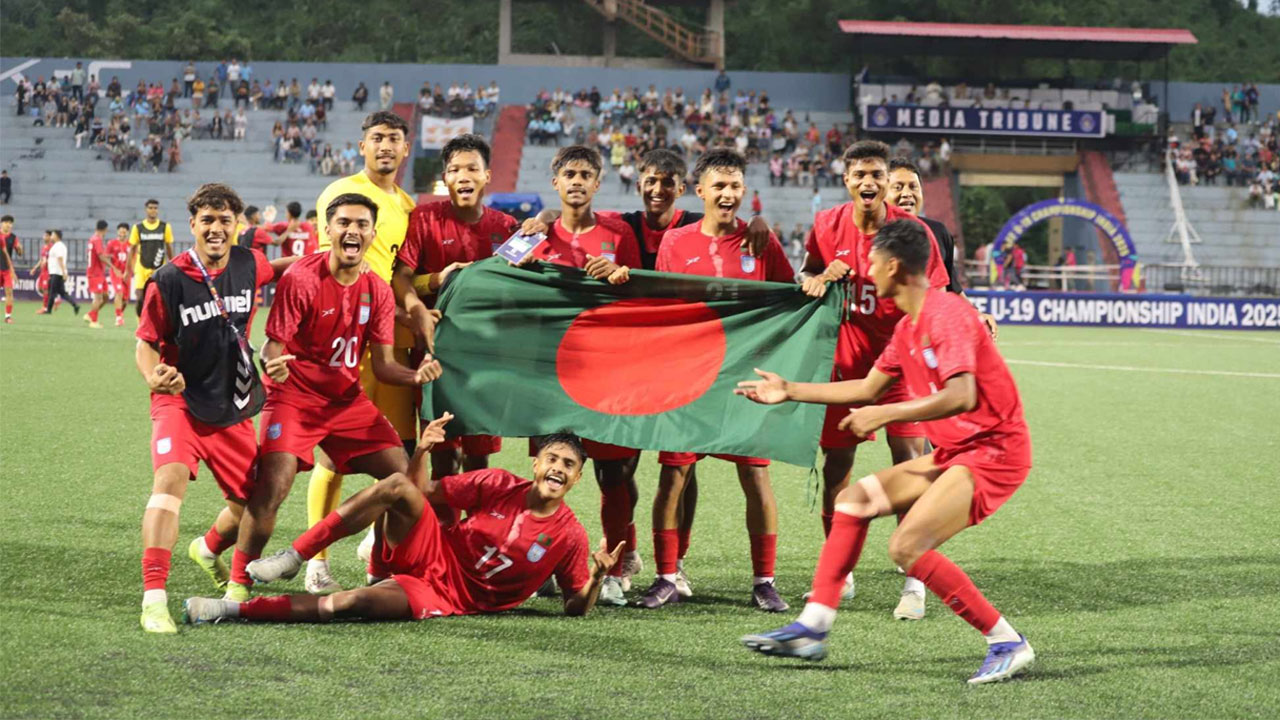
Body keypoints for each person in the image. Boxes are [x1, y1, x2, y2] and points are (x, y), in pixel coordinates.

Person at [737, 219, 1035, 685]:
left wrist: (884, 414)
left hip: (994, 452)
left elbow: (962, 395)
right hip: (958, 451)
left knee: (907, 546)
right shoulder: (907, 327)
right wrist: (789, 390)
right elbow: (867, 388)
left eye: (872, 263)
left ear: (893, 266)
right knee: (853, 501)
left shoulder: (947, 312)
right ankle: (812, 628)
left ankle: (1006, 641)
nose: (867, 270)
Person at [228, 193, 444, 601]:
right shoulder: (302, 277)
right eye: (344, 222)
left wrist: (416, 376)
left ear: (372, 234)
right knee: (273, 485)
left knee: (404, 479)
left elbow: (384, 366)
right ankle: (238, 586)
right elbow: (273, 347)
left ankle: (380, 568)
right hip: (293, 397)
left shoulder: (377, 290)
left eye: (362, 224)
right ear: (327, 230)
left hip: (346, 402)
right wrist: (271, 363)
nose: (353, 231)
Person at [184, 428, 622, 624]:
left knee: (347, 604)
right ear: (536, 464)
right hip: (435, 551)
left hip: (450, 596)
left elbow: (574, 607)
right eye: (552, 459)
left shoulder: (570, 535)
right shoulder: (498, 482)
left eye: (568, 465)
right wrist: (423, 451)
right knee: (396, 484)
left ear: (577, 478)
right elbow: (421, 492)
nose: (558, 468)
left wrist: (597, 578)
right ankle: (296, 555)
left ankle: (231, 610)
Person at [620, 148, 794, 612]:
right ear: (700, 191)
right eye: (719, 185)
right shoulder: (675, 242)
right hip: (689, 378)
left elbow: (788, 299)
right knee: (673, 475)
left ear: (744, 190)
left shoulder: (761, 241)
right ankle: (665, 577)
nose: (727, 193)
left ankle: (764, 581)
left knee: (755, 476)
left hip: (743, 379)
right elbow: (661, 307)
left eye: (735, 186)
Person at [134, 183, 297, 633]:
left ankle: (206, 548)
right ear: (193, 225)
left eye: (225, 220)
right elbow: (145, 343)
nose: (216, 228)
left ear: (237, 225)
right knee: (169, 481)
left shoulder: (248, 263)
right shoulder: (168, 280)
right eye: (207, 220)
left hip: (231, 403)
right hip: (180, 400)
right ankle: (154, 599)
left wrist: (323, 260)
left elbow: (276, 268)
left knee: (253, 512)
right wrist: (152, 375)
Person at [798, 141, 950, 604]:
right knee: (837, 467)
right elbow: (806, 274)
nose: (869, 182)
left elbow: (937, 299)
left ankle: (915, 578)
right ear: (846, 180)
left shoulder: (913, 232)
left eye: (877, 175)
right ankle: (838, 572)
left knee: (909, 465)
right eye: (860, 175)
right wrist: (818, 279)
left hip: (902, 367)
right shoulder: (827, 224)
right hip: (846, 366)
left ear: (887, 181)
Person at [304, 111, 428, 594]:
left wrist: (432, 286)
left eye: (394, 139)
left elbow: (400, 275)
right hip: (344, 341)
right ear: (362, 146)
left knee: (396, 449)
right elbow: (331, 264)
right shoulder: (342, 193)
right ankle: (316, 560)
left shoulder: (408, 205)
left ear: (405, 148)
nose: (385, 146)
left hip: (388, 343)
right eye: (377, 138)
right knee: (333, 456)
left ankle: (376, 545)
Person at [392, 134, 520, 518]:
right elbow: (401, 277)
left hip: (486, 359)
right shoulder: (425, 219)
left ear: (487, 176)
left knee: (479, 458)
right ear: (445, 178)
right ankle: (444, 536)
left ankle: (475, 536)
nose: (463, 176)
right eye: (454, 170)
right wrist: (420, 303)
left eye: (472, 169)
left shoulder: (507, 227)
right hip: (437, 357)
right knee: (443, 455)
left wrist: (542, 225)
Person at [126, 199, 175, 317]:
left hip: (159, 269)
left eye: (155, 208)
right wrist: (128, 270)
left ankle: (156, 324)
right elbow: (132, 249)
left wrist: (173, 265)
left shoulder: (165, 227)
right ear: (146, 210)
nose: (153, 210)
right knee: (140, 298)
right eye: (150, 208)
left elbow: (169, 247)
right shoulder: (138, 227)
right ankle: (141, 323)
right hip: (142, 268)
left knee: (159, 299)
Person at [39, 230, 79, 315]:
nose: (51, 236)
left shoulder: (58, 246)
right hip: (56, 272)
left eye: (53, 235)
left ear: (57, 236)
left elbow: (60, 259)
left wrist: (64, 272)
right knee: (62, 293)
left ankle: (48, 310)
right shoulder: (58, 246)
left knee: (52, 292)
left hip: (56, 272)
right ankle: (75, 305)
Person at [83, 221, 113, 328]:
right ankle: (94, 321)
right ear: (105, 229)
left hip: (99, 273)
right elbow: (100, 257)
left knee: (106, 297)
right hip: (95, 273)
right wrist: (113, 267)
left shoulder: (92, 239)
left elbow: (96, 254)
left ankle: (90, 314)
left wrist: (109, 255)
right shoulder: (97, 240)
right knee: (98, 298)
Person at [107, 223, 131, 325]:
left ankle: (120, 313)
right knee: (119, 292)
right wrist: (114, 268)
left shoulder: (130, 245)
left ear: (127, 232)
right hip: (116, 272)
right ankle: (118, 317)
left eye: (124, 232)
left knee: (125, 300)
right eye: (120, 231)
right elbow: (106, 257)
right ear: (117, 232)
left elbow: (133, 259)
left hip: (127, 273)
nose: (122, 234)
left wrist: (128, 271)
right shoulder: (112, 243)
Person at [1, 215, 21, 323]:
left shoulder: (13, 237)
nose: (8, 225)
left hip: (6, 269)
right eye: (6, 222)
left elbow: (19, 253)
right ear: (2, 223)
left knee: (9, 292)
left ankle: (8, 316)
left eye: (10, 223)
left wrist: (20, 249)